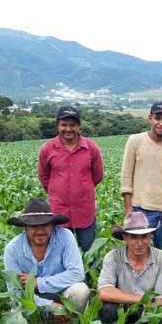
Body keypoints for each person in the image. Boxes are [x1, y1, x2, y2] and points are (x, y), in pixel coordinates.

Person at [120, 101, 162, 252]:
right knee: (137, 253)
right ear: (150, 118)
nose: (161, 123)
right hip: (140, 209)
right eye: (157, 118)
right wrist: (128, 207)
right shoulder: (135, 141)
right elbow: (126, 176)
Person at [4, 198, 90, 319]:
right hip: (32, 297)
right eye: (34, 226)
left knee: (80, 291)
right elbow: (15, 292)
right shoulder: (12, 249)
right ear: (25, 227)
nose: (40, 231)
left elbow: (77, 274)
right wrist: (49, 306)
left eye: (45, 225)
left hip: (61, 291)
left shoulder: (65, 236)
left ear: (52, 225)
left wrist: (37, 282)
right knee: (16, 315)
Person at [38, 105, 104, 252]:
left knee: (88, 251)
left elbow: (98, 176)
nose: (68, 129)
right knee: (60, 252)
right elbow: (44, 177)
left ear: (78, 126)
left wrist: (82, 189)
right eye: (64, 125)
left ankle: (87, 276)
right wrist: (57, 192)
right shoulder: (47, 149)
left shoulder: (91, 148)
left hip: (84, 210)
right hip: (59, 211)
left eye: (72, 125)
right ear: (57, 125)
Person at [98, 211, 162, 324]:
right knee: (108, 310)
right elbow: (104, 292)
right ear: (125, 238)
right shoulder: (113, 257)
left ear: (150, 236)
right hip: (123, 308)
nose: (139, 243)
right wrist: (142, 300)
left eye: (144, 237)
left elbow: (161, 298)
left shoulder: (161, 258)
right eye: (133, 237)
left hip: (148, 311)